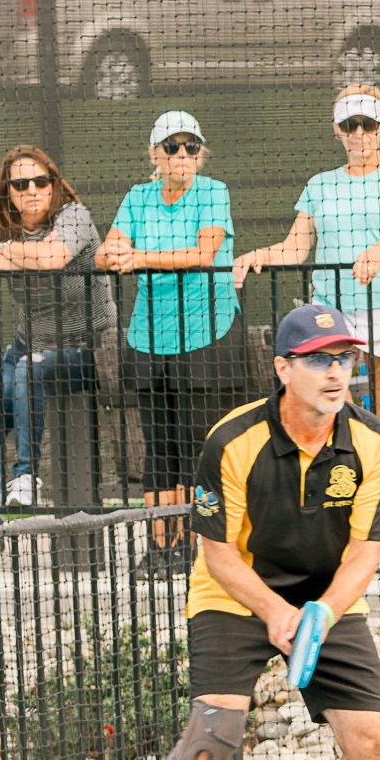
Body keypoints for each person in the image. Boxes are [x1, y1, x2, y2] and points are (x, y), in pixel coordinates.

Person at [110, 303, 380, 760]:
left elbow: (364, 553)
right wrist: (275, 614)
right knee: (212, 735)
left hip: (326, 599)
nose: (336, 373)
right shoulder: (233, 439)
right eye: (319, 360)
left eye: (346, 359)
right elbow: (218, 553)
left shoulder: (375, 444)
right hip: (234, 594)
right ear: (283, 368)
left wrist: (321, 614)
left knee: (373, 740)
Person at [233, 86, 380, 573]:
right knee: (330, 428)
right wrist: (259, 256)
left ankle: (379, 539)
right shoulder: (319, 185)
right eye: (350, 126)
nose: (359, 134)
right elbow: (294, 247)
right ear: (337, 131)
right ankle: (333, 535)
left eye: (368, 124)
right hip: (333, 323)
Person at [95, 111, 240, 568]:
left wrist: (137, 257)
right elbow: (105, 253)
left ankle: (199, 546)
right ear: (155, 154)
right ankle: (161, 545)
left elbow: (203, 253)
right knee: (156, 446)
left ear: (200, 154)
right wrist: (116, 256)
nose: (182, 155)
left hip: (204, 331)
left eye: (190, 147)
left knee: (195, 443)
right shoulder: (137, 198)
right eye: (172, 147)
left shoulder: (214, 192)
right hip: (148, 335)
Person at [0, 145, 115, 511]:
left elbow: (54, 257)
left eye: (40, 181)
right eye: (20, 184)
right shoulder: (2, 224)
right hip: (29, 346)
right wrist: (16, 253)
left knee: (32, 368)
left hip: (89, 349)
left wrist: (6, 252)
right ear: (8, 191)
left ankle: (26, 475)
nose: (31, 190)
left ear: (53, 184)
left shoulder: (74, 216)